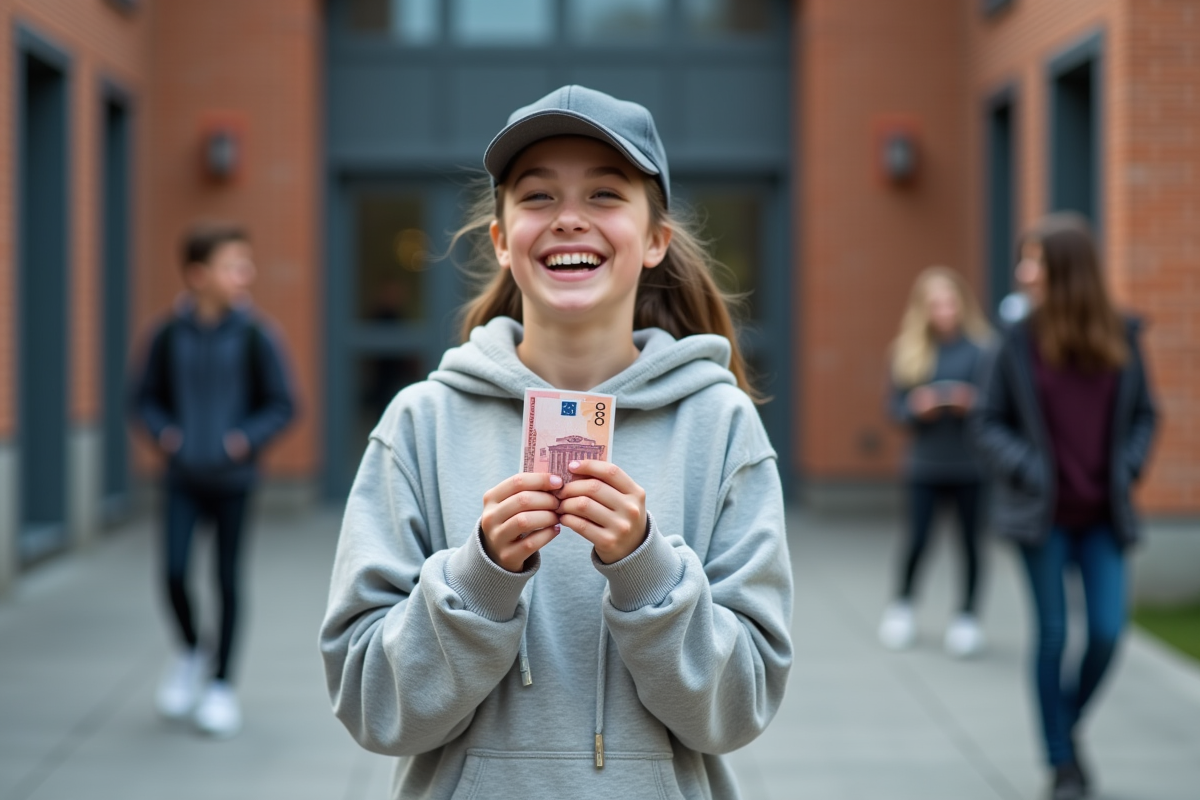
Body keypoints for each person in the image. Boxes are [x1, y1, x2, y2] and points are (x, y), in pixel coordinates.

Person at [319, 85, 794, 799]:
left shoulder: (722, 427)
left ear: (657, 239)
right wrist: (477, 583)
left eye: (605, 194)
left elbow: (739, 709)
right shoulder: (419, 425)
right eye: (538, 197)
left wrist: (649, 575)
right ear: (503, 240)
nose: (570, 220)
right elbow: (370, 707)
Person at [970, 213, 1157, 800]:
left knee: (1107, 632)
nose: (1023, 272)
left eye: (1034, 262)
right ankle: (1062, 764)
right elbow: (988, 419)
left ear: (1066, 270)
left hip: (1104, 515)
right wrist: (1029, 467)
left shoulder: (1121, 336)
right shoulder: (1016, 343)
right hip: (1042, 517)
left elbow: (1146, 417)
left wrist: (1125, 468)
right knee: (1052, 635)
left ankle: (1063, 726)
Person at [134, 222, 296, 737]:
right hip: (181, 477)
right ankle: (188, 651)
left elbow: (283, 404)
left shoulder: (256, 335)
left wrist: (242, 440)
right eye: (233, 266)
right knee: (174, 573)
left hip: (234, 480)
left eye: (245, 265)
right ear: (198, 274)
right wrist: (167, 436)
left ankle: (221, 686)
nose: (244, 275)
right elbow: (142, 398)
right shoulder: (164, 335)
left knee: (226, 581)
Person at [878, 267, 994, 657]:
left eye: (949, 302)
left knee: (971, 545)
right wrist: (917, 408)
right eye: (935, 304)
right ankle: (903, 606)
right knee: (917, 540)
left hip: (971, 465)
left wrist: (972, 403)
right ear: (923, 310)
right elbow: (894, 409)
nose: (944, 311)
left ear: (962, 303)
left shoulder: (984, 351)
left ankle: (967, 617)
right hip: (925, 464)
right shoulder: (908, 351)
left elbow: (998, 407)